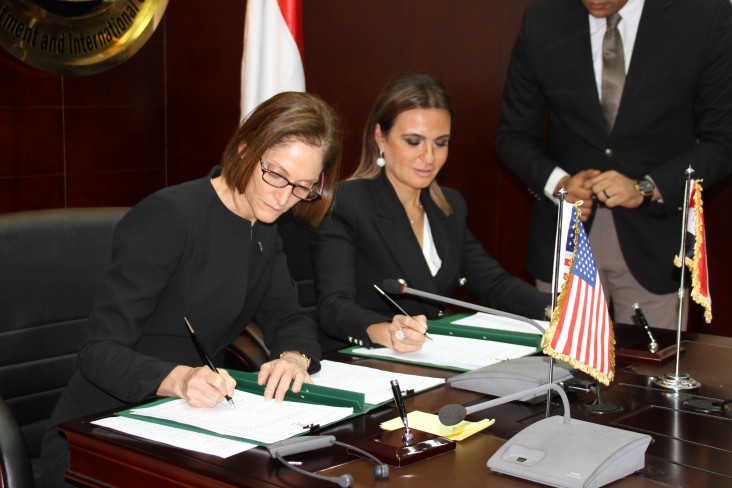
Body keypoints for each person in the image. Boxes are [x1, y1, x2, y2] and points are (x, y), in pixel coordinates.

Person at [40, 91, 342, 486]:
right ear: (244, 150)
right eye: (276, 175)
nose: (284, 197)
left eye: (302, 186)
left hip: (186, 425)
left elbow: (289, 316)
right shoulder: (169, 216)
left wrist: (293, 358)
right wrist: (180, 379)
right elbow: (98, 352)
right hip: (100, 436)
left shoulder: (264, 228)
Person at [495, 0, 732, 329]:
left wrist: (646, 187)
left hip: (655, 244)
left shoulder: (703, 15)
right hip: (567, 238)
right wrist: (559, 184)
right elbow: (513, 135)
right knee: (562, 375)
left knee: (649, 374)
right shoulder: (543, 18)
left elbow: (723, 141)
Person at [312, 72, 550, 353]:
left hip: (432, 358)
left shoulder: (449, 206)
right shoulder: (346, 202)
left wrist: (556, 308)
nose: (429, 157)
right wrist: (386, 331)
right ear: (381, 137)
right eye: (414, 142)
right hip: (367, 359)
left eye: (440, 143)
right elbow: (333, 307)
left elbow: (494, 284)